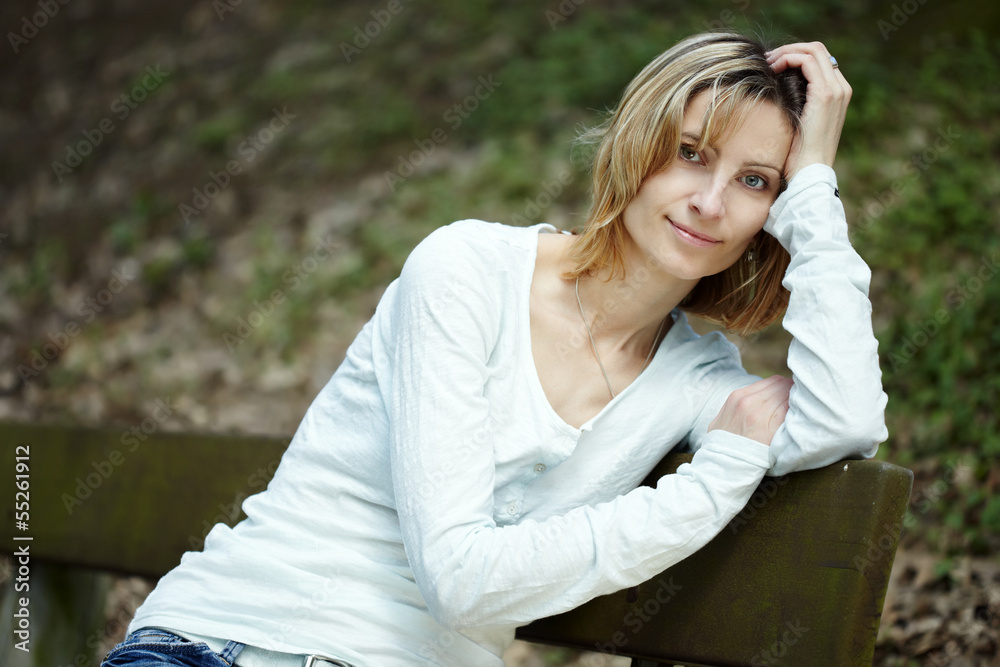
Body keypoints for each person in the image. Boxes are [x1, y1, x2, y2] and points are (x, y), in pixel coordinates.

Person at [102, 32, 887, 667]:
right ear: (638, 146)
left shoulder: (694, 381)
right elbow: (461, 582)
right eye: (691, 152)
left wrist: (814, 184)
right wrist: (709, 483)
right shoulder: (466, 270)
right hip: (217, 642)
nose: (710, 202)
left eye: (756, 182)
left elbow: (844, 421)